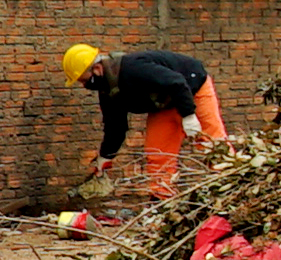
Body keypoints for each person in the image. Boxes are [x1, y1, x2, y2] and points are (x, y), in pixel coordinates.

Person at [60, 45, 226, 200]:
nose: (84, 86)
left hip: (191, 90)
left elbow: (176, 82)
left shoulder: (133, 69)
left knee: (213, 147)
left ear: (97, 69)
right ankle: (161, 204)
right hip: (164, 105)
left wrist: (189, 116)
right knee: (158, 156)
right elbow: (115, 126)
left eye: (84, 80)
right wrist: (105, 156)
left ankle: (229, 190)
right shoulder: (108, 90)